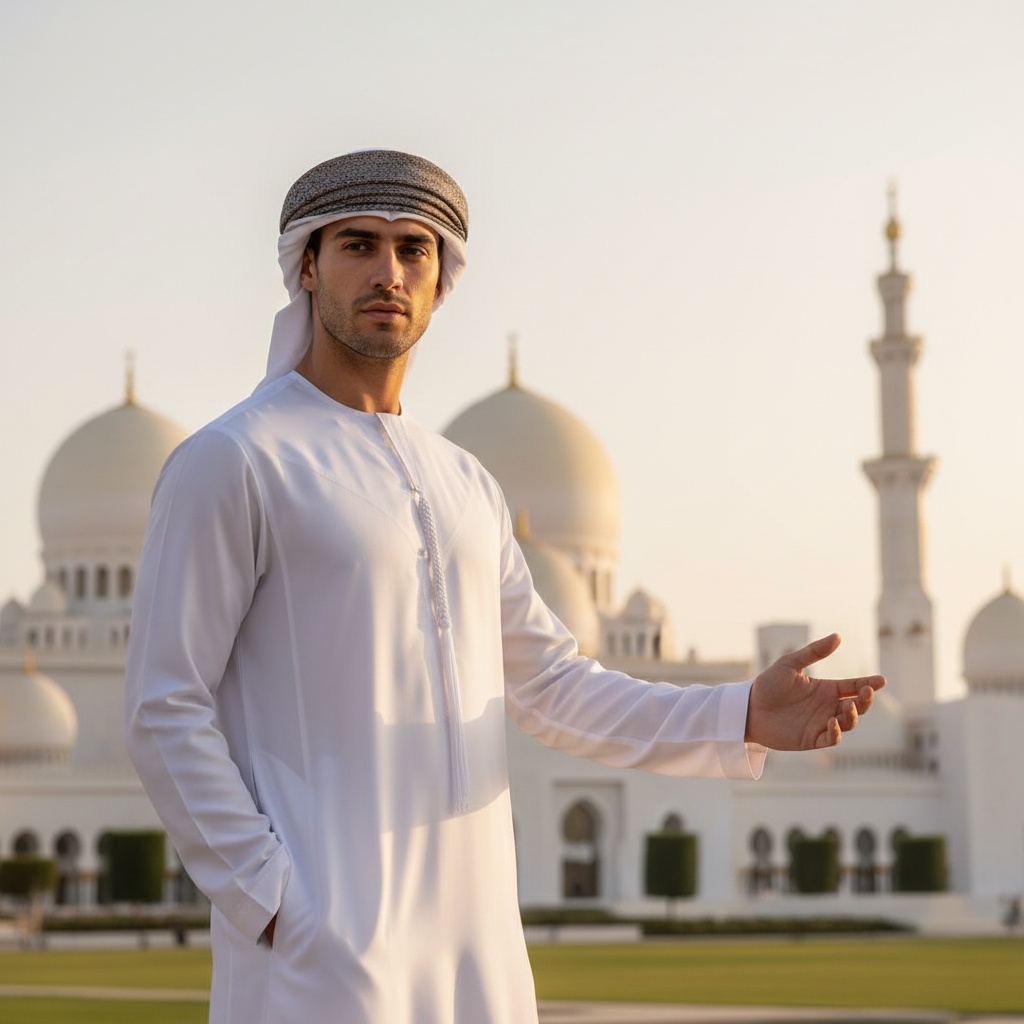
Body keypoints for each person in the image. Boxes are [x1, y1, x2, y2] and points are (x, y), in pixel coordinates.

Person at [124, 149, 884, 1024]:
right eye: (358, 245)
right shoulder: (236, 460)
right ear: (305, 265)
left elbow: (553, 687)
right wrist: (272, 900)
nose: (388, 272)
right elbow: (163, 703)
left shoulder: (465, 483)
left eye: (415, 250)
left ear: (442, 280)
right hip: (321, 961)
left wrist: (738, 714)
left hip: (477, 954)